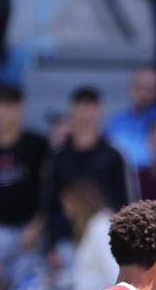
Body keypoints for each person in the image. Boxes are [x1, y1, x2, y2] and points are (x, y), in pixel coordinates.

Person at [0, 85, 51, 270]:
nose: (8, 112)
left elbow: (50, 188)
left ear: (21, 109)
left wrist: (38, 225)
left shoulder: (37, 145)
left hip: (28, 229)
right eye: (2, 105)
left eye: (13, 105)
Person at [47, 86, 131, 245]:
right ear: (72, 110)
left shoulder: (114, 156)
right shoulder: (59, 157)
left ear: (99, 110)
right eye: (80, 106)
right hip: (67, 240)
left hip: (105, 239)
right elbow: (51, 205)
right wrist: (51, 246)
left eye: (90, 106)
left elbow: (124, 203)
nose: (85, 113)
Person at [105, 66, 156, 170]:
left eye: (149, 88)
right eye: (140, 87)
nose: (144, 93)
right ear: (131, 88)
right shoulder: (115, 122)